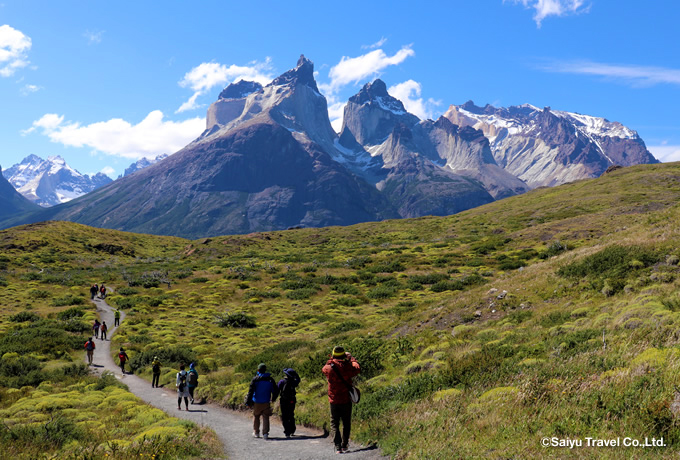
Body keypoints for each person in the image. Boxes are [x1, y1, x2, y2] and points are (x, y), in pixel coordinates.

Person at [322, 346, 361, 454]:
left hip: (334, 400)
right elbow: (357, 368)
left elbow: (324, 368)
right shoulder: (347, 367)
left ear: (333, 355)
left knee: (334, 423)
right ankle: (345, 445)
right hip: (346, 399)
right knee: (346, 423)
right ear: (344, 355)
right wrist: (351, 359)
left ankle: (338, 446)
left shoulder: (328, 368)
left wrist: (332, 359)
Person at [245, 363, 279, 440]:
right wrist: (273, 398)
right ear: (265, 370)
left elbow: (250, 392)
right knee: (266, 417)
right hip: (266, 401)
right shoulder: (270, 380)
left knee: (256, 416)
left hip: (257, 401)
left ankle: (256, 432)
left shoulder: (255, 379)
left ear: (258, 370)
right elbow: (275, 391)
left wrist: (248, 402)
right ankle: (265, 433)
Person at [277, 368, 301, 438]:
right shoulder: (294, 382)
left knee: (285, 416)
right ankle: (292, 430)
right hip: (292, 400)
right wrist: (296, 374)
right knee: (291, 414)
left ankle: (287, 431)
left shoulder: (282, 382)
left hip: (284, 400)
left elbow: (277, 390)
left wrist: (273, 398)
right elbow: (298, 379)